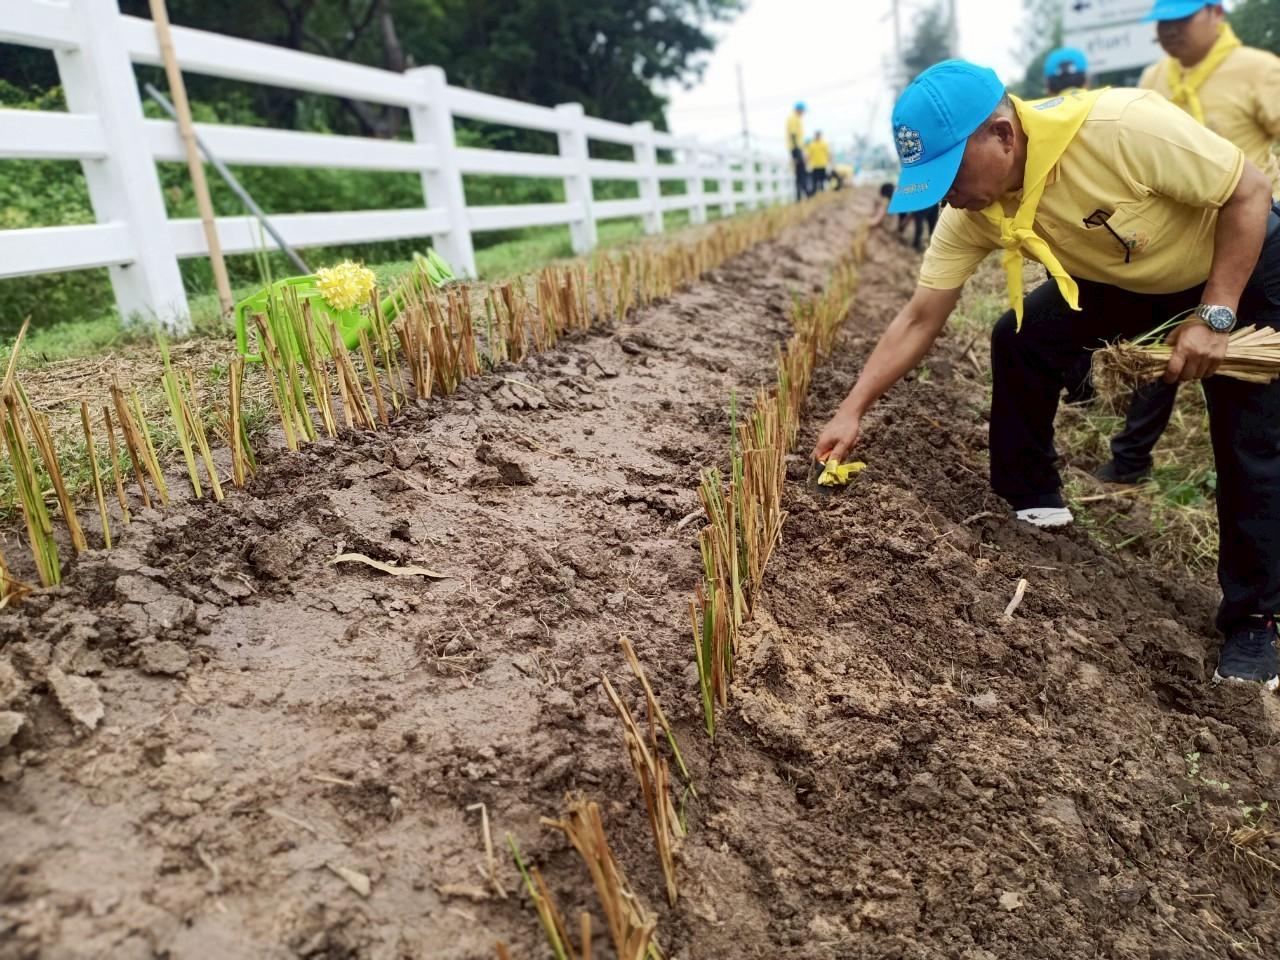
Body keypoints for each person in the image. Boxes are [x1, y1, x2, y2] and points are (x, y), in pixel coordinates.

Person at [811, 59, 1280, 688]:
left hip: (1241, 258)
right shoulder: (973, 209)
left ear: (1003, 135)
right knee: (1021, 337)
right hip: (1135, 274)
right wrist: (852, 408)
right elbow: (921, 317)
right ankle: (1033, 500)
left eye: (951, 172)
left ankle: (1255, 619)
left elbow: (1247, 192)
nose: (946, 192)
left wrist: (1215, 315)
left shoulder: (1122, 128)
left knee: (1250, 436)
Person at [1097, 0, 1280, 484]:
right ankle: (1130, 462)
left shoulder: (1259, 72)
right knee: (1160, 356)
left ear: (1217, 14)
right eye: (1162, 22)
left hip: (1248, 243)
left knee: (1245, 404)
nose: (1169, 31)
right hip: (1170, 248)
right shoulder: (1154, 78)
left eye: (1182, 19)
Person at [786, 102, 808, 201]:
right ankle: (805, 193)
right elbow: (793, 135)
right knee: (800, 172)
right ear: (799, 109)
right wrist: (798, 151)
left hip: (797, 148)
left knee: (799, 173)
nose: (803, 113)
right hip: (796, 149)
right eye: (803, 110)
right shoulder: (793, 118)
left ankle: (800, 196)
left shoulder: (797, 118)